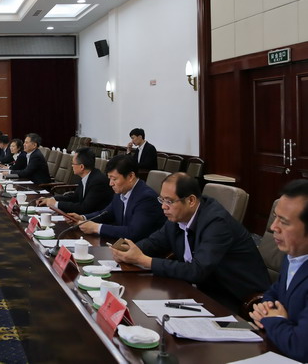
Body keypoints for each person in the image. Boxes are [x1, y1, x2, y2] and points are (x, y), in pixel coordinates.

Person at [111, 172, 270, 311]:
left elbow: (197, 270)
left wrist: (144, 260)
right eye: (162, 200)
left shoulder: (216, 223)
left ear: (191, 200)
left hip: (234, 298)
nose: (163, 207)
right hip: (200, 289)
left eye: (169, 201)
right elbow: (155, 242)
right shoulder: (178, 216)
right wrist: (127, 250)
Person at [250, 180, 308, 361]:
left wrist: (272, 320)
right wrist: (266, 310)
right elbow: (273, 293)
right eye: (275, 217)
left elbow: (300, 347)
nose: (273, 227)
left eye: (283, 221)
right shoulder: (294, 254)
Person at [68, 154, 164, 241]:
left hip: (142, 249)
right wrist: (82, 218)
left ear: (131, 176)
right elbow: (105, 213)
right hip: (122, 244)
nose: (111, 184)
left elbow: (133, 232)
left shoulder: (146, 198)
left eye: (114, 179)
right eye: (109, 178)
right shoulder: (121, 192)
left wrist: (96, 228)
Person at [37, 147, 113, 215]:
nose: (72, 166)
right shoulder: (88, 176)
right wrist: (52, 199)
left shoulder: (98, 182)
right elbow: (75, 197)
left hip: (94, 220)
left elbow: (84, 208)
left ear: (81, 167)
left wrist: (56, 204)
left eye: (73, 163)